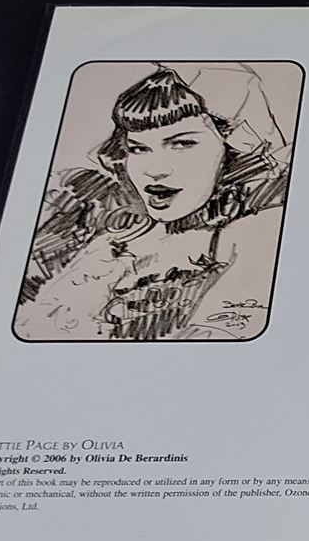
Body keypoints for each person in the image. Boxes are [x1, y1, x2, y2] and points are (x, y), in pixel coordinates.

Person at [15, 62, 290, 341]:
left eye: (182, 144)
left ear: (231, 150)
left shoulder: (254, 236)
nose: (154, 170)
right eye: (138, 148)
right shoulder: (101, 226)